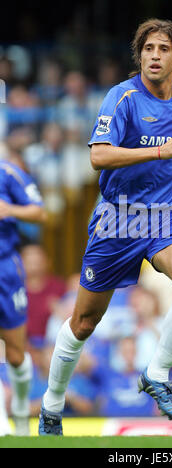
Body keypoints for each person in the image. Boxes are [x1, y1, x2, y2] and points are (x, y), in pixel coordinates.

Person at [39, 18, 172, 435]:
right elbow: (98, 157)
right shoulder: (122, 98)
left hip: (166, 215)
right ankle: (51, 405)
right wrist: (158, 155)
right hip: (118, 217)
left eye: (163, 49)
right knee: (83, 322)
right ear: (140, 56)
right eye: (148, 48)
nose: (155, 56)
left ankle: (156, 372)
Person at [0, 157, 46, 435]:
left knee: (16, 354)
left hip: (6, 269)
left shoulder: (8, 173)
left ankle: (19, 406)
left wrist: (9, 209)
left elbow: (40, 213)